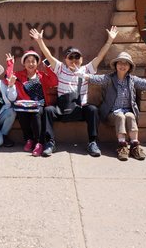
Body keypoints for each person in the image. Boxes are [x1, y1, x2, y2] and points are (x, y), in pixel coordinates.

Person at [29, 26, 118, 157]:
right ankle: (50, 143)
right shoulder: (60, 69)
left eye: (77, 57)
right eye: (71, 57)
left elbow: (100, 55)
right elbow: (48, 55)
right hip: (62, 109)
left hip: (79, 109)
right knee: (48, 111)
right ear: (65, 59)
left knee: (92, 110)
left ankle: (92, 142)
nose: (74, 60)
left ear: (82, 60)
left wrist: (110, 40)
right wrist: (40, 41)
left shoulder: (87, 70)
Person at [82, 52, 146, 161]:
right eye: (120, 63)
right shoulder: (109, 78)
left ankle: (134, 146)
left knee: (130, 116)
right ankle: (122, 146)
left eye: (126, 64)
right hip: (112, 114)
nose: (123, 66)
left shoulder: (132, 80)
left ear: (129, 67)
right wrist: (82, 75)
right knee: (120, 116)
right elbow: (96, 79)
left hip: (127, 111)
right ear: (116, 65)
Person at [5, 50, 58, 157]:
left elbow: (54, 81)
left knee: (36, 113)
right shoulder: (19, 75)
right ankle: (29, 139)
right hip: (25, 105)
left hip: (40, 104)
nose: (31, 64)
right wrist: (10, 65)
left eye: (33, 61)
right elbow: (8, 80)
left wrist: (47, 67)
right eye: (28, 61)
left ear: (37, 63)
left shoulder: (41, 76)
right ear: (24, 63)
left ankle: (39, 143)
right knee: (21, 113)